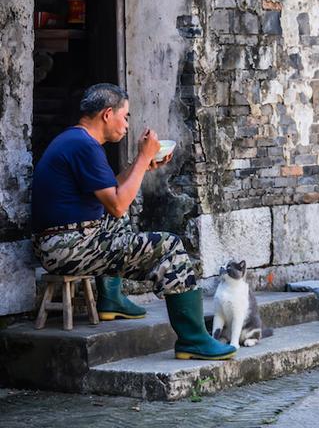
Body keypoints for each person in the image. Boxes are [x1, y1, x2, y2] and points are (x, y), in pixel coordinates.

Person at [31, 83, 236, 361]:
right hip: (65, 247)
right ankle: (194, 340)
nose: (127, 124)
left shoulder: (78, 140)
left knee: (122, 216)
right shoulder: (84, 146)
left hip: (64, 240)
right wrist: (142, 157)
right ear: (107, 114)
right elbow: (116, 205)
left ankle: (111, 298)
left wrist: (142, 166)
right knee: (168, 246)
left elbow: (111, 193)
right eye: (124, 116)